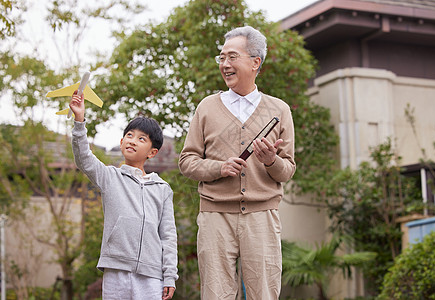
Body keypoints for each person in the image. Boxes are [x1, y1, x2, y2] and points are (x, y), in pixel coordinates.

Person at [178, 25, 296, 299]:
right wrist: (218, 168)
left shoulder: (279, 110)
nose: (225, 64)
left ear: (255, 62)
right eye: (222, 58)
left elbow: (287, 169)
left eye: (232, 57)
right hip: (214, 216)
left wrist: (271, 161)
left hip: (262, 216)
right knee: (215, 294)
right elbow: (187, 161)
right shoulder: (206, 107)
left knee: (264, 294)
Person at [70, 91, 178, 300]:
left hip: (152, 274)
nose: (133, 141)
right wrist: (79, 120)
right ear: (121, 142)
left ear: (152, 152)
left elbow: (168, 236)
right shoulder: (110, 177)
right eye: (129, 135)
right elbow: (84, 158)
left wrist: (170, 276)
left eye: (141, 138)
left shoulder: (162, 189)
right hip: (115, 269)